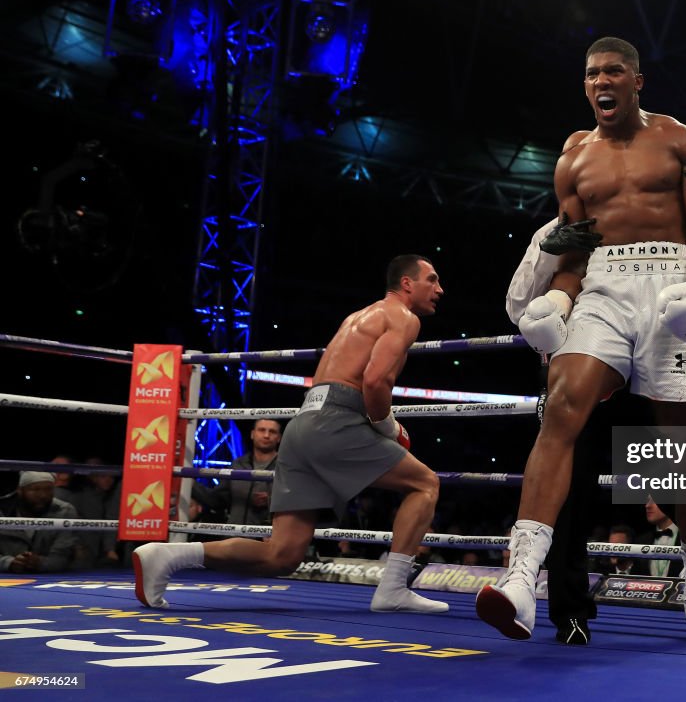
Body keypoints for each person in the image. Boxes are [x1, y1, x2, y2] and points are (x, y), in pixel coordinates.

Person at [478, 36, 686, 646]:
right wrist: (560, 297)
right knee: (561, 405)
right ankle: (520, 579)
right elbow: (573, 251)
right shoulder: (572, 160)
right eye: (592, 74)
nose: (601, 81)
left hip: (673, 282)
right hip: (604, 288)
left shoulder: (680, 139)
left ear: (637, 81)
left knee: (685, 455)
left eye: (613, 71)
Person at [133, 255, 449, 614]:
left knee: (282, 556)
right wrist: (388, 426)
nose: (439, 289)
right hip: (335, 421)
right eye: (432, 279)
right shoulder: (402, 317)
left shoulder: (359, 317)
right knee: (425, 484)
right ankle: (393, 588)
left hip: (303, 424)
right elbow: (376, 380)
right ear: (407, 284)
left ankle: (166, 555)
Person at [0, 471, 79, 573]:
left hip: (50, 577)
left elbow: (63, 555)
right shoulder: (2, 509)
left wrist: (41, 563)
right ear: (20, 490)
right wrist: (9, 563)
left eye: (48, 489)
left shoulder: (64, 511)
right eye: (35, 489)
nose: (43, 495)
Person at [214, 419, 282, 525]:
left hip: (268, 537)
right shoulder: (237, 464)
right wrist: (188, 482)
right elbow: (217, 499)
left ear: (279, 438)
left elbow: (299, 499)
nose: (266, 435)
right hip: (233, 535)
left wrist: (271, 500)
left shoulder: (286, 467)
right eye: (261, 430)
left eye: (272, 432)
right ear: (252, 434)